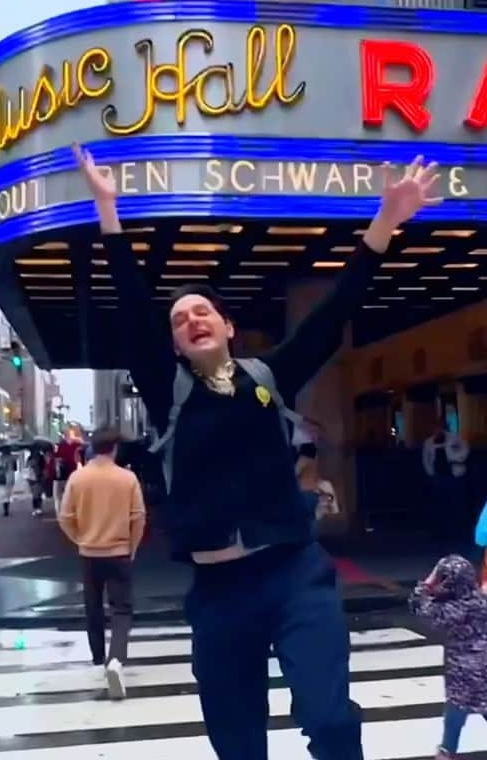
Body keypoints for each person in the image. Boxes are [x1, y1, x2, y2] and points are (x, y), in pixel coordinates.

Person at [74, 145, 440, 760]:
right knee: (238, 743)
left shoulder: (270, 376)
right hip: (219, 592)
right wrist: (107, 210)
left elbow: (331, 314)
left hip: (295, 573)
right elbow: (134, 313)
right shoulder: (171, 395)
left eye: (203, 310)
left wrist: (385, 224)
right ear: (175, 344)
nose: (192, 318)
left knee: (329, 720)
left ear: (226, 325)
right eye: (180, 318)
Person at [58, 424, 146, 699]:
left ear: (93, 448)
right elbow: (138, 516)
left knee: (93, 606)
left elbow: (65, 517)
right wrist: (131, 547)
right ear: (116, 448)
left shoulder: (78, 478)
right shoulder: (127, 478)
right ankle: (116, 658)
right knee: (122, 609)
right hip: (119, 551)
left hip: (89, 552)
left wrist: (80, 538)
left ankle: (98, 656)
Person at [409, 555, 487, 757]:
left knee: (456, 711)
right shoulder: (481, 600)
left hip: (464, 669)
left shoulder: (450, 609)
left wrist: (428, 583)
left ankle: (447, 751)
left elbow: (417, 605)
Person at [0, 450, 16, 516]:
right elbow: (15, 468)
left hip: (2, 477)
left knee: (4, 494)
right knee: (7, 494)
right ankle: (6, 509)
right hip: (10, 477)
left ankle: (6, 510)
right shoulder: (12, 458)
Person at [26, 446, 46, 516]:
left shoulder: (40, 458)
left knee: (37, 494)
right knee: (35, 494)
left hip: (38, 477)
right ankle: (36, 508)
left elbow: (44, 467)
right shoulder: (30, 458)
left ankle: (38, 508)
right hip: (33, 478)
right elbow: (28, 467)